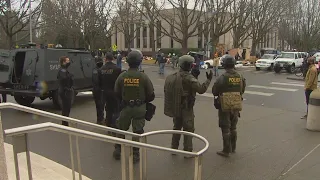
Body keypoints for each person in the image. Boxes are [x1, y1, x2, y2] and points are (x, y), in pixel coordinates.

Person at [164, 55, 213, 158]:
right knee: (188, 129)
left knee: (176, 128)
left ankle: (174, 148)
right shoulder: (189, 78)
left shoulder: (174, 76)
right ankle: (188, 151)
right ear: (189, 65)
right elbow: (200, 89)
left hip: (176, 107)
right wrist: (208, 80)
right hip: (186, 108)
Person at [113, 50, 155, 163]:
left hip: (125, 107)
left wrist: (123, 100)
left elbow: (116, 92)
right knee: (137, 131)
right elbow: (151, 94)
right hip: (139, 108)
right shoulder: (143, 77)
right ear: (139, 61)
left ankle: (117, 150)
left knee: (121, 128)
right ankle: (135, 154)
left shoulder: (122, 76)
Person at [212, 55, 246, 157]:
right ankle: (233, 148)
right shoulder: (240, 76)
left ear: (225, 65)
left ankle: (226, 150)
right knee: (233, 127)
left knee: (225, 127)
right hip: (236, 104)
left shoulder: (222, 78)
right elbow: (242, 89)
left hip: (225, 105)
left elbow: (215, 91)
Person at [100, 52, 122, 127]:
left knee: (108, 109)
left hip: (105, 92)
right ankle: (114, 124)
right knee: (116, 109)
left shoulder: (101, 69)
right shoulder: (117, 69)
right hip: (114, 92)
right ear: (112, 59)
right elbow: (120, 82)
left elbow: (99, 81)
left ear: (105, 59)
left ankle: (108, 123)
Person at [57, 56, 74, 126]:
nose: (68, 62)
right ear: (64, 62)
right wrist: (70, 76)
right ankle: (65, 123)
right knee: (66, 107)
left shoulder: (65, 69)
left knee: (67, 107)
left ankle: (65, 121)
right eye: (67, 61)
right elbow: (63, 78)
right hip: (65, 91)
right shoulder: (62, 70)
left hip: (66, 90)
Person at [92, 56, 105, 125]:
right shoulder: (97, 70)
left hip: (96, 90)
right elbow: (97, 81)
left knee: (99, 106)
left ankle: (100, 119)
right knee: (100, 105)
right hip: (98, 90)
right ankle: (100, 119)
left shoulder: (96, 69)